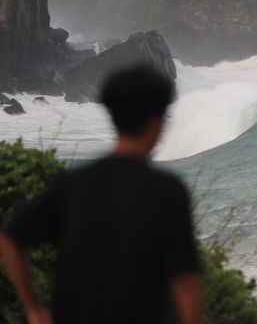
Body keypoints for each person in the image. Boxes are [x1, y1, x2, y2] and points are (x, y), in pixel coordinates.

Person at [0, 65, 202, 324]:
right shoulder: (167, 191)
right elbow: (185, 280)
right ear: (157, 121)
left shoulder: (74, 183)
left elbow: (10, 239)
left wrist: (33, 309)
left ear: (111, 114)